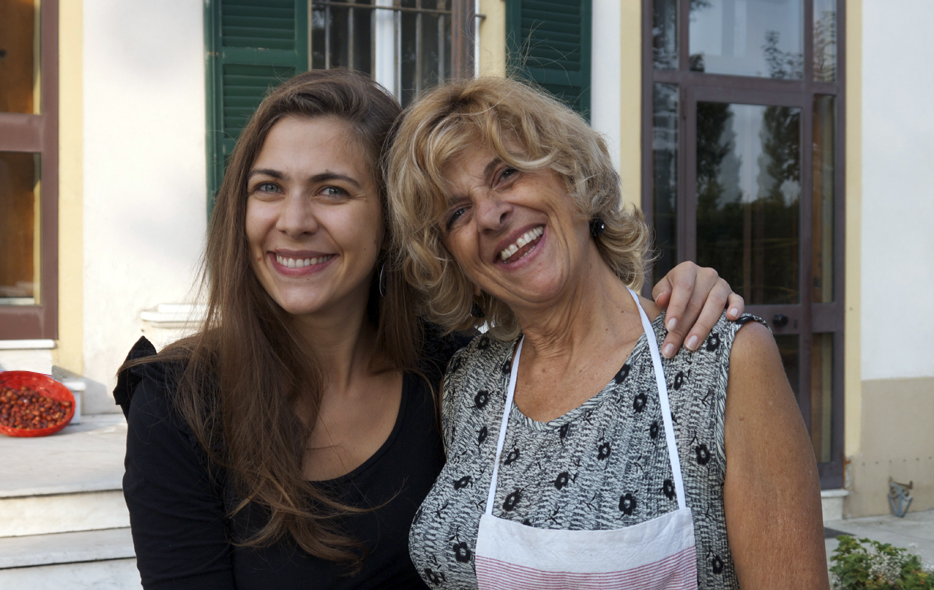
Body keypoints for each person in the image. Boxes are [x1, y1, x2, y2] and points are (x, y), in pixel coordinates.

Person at [114, 70, 744, 590]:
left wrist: (682, 294)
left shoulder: (456, 373)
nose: (295, 220)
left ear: (395, 223)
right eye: (269, 188)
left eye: (332, 190)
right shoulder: (180, 404)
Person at [388, 77, 828, 589]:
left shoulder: (719, 358)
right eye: (456, 212)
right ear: (451, 256)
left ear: (572, 177)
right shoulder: (468, 382)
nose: (490, 215)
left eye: (507, 174)